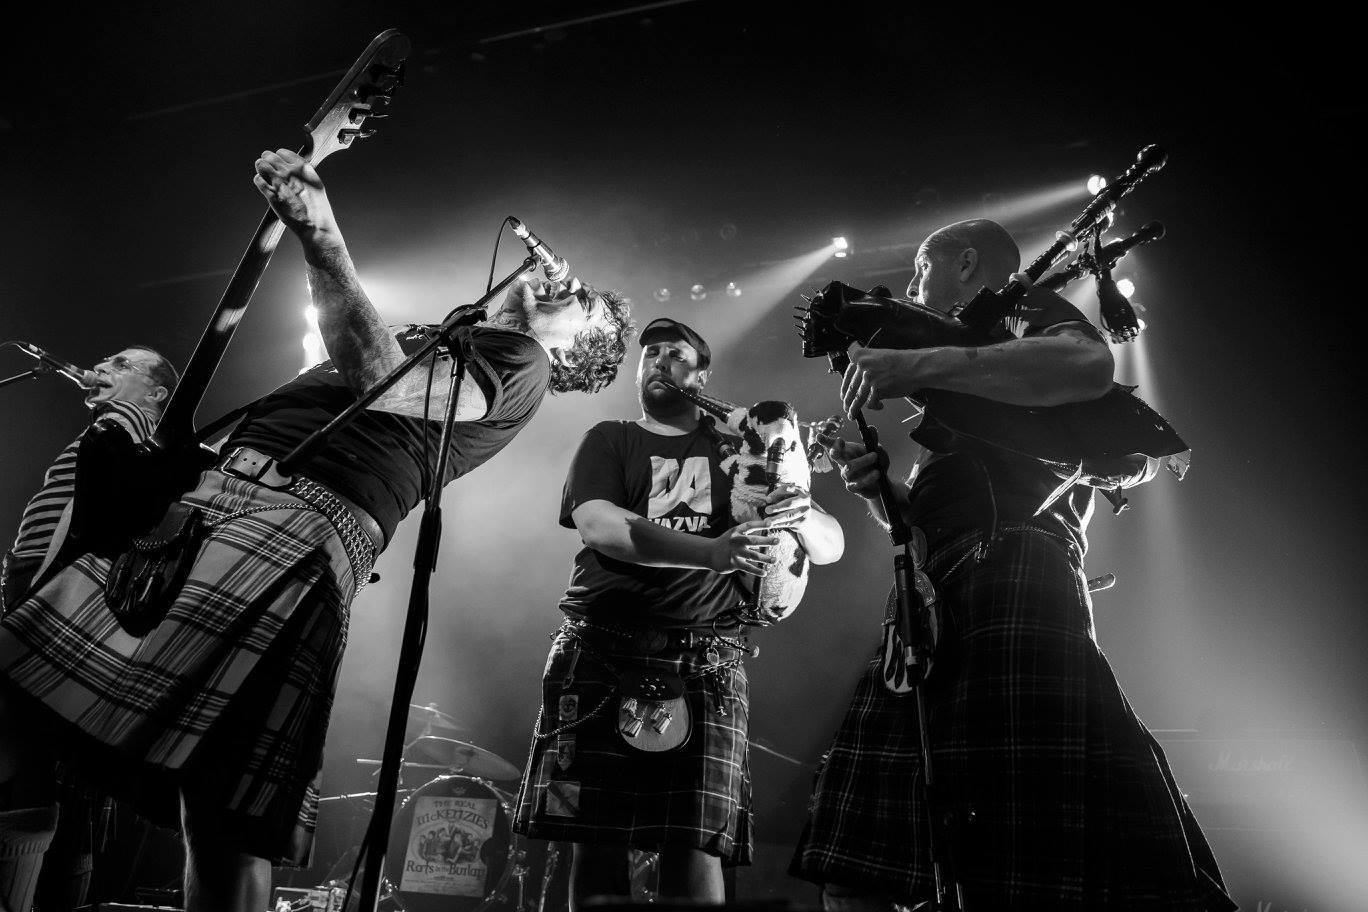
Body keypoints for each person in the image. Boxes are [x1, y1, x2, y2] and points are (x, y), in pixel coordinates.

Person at [0, 147, 633, 912]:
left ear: (577, 348)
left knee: (219, 802)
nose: (564, 281)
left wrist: (321, 232)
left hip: (292, 526)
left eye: (582, 300)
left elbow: (381, 377)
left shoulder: (522, 360)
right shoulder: (449, 329)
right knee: (193, 789)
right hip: (229, 502)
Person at [791, 219, 1235, 910]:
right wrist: (884, 493)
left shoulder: (1019, 316)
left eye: (919, 273)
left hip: (1018, 580)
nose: (911, 293)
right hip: (931, 600)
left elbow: (1088, 364)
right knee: (859, 869)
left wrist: (913, 364)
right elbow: (935, 515)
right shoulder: (975, 389)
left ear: (967, 264)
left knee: (1026, 856)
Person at [514, 318, 844, 908]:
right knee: (596, 842)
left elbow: (831, 545)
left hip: (706, 662)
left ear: (702, 375)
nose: (660, 361)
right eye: (652, 354)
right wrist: (712, 554)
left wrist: (799, 510)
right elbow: (599, 526)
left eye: (676, 354)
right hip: (602, 648)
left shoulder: (741, 451)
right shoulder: (610, 438)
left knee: (694, 852)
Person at [0, 346, 178, 912]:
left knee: (22, 746)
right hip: (36, 582)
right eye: (105, 359)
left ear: (156, 393)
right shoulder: (113, 428)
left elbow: (121, 466)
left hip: (52, 590)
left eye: (121, 364)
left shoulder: (129, 427)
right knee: (51, 767)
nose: (102, 366)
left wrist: (120, 412)